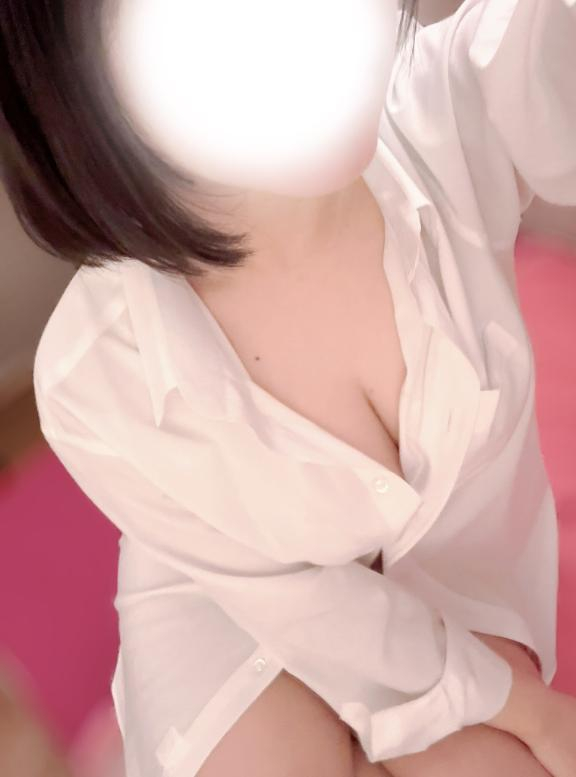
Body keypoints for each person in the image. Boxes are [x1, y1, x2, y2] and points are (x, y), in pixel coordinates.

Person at [2, 0, 576, 775]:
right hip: (232, 604)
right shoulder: (99, 371)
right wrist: (530, 710)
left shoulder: (449, 105)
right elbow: (305, 609)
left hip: (450, 599)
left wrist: (511, 707)